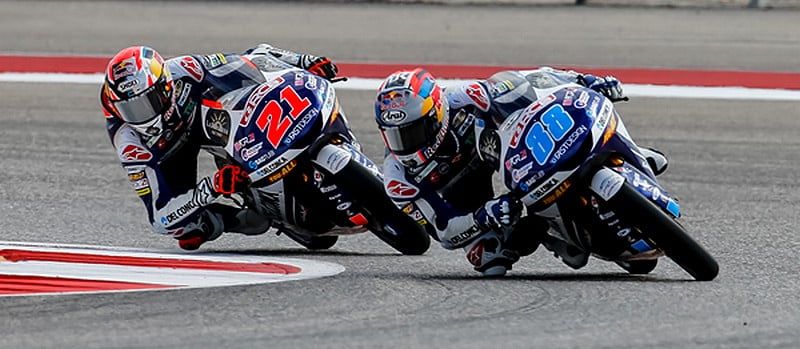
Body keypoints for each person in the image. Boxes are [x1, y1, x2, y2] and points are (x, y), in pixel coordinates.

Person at [374, 66, 668, 276]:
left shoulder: (464, 97)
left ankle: (625, 153)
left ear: (437, 113)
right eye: (394, 135)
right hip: (460, 196)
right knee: (490, 258)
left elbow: (532, 79)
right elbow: (444, 230)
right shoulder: (398, 179)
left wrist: (583, 80)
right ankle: (552, 234)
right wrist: (484, 216)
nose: (404, 144)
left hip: (499, 152)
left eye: (412, 131)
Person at [101, 44, 339, 250]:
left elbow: (254, 56)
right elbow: (160, 218)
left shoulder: (185, 69)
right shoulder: (129, 143)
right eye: (129, 110)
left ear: (165, 87)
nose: (142, 116)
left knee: (242, 81)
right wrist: (212, 187)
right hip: (169, 150)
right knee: (184, 230)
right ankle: (241, 217)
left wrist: (301, 62)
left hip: (206, 120)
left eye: (146, 103)